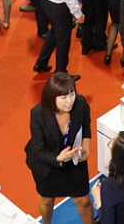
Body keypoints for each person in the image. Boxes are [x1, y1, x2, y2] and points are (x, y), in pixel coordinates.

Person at [25, 74, 92, 224]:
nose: (70, 101)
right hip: (47, 163)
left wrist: (87, 148)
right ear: (52, 97)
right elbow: (39, 150)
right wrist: (58, 158)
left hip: (73, 158)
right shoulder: (38, 113)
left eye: (72, 94)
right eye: (63, 97)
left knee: (84, 200)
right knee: (47, 200)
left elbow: (86, 125)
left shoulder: (80, 103)